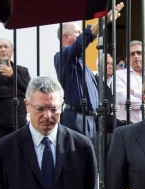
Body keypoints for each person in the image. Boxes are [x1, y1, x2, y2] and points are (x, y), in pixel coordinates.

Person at [0, 76, 97, 189]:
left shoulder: (82, 146)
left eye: (53, 109)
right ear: (27, 105)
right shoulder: (5, 149)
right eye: (40, 109)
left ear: (62, 106)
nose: (47, 116)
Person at [54, 2, 124, 143]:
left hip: (90, 120)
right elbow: (81, 42)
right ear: (65, 36)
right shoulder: (63, 56)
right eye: (77, 32)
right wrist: (104, 21)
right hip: (76, 118)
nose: (81, 34)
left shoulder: (81, 62)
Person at [0, 38, 31, 154]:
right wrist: (19, 91)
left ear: (12, 50)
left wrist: (13, 75)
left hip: (19, 124)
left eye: (6, 46)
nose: (3, 50)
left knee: (20, 159)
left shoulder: (21, 71)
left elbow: (30, 90)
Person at [115, 40, 145, 125]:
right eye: (132, 54)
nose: (136, 56)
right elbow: (122, 98)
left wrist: (134, 92)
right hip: (125, 124)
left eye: (139, 53)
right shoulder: (119, 75)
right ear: (127, 59)